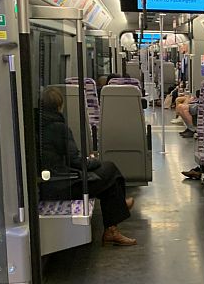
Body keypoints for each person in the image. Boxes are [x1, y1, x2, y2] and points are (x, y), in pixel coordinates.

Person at [39, 86, 137, 247]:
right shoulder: (58, 127)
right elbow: (75, 160)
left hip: (51, 180)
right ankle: (114, 223)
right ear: (59, 106)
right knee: (110, 171)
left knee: (108, 176)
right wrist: (94, 161)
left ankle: (116, 213)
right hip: (62, 183)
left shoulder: (40, 125)